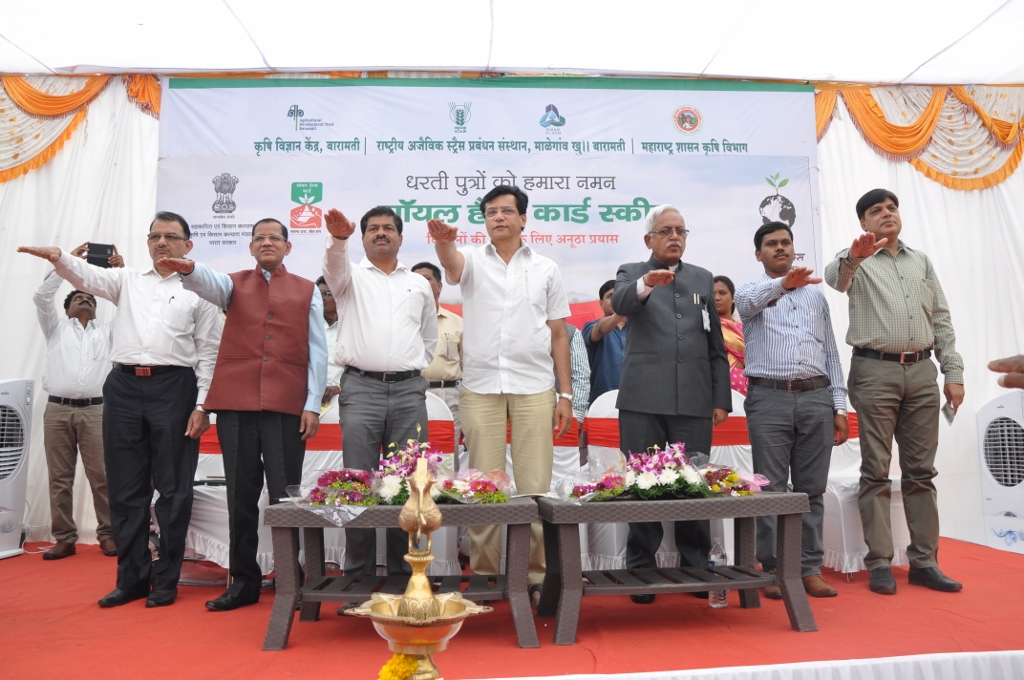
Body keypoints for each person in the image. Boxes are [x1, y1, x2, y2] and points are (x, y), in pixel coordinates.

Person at [19, 212, 222, 608]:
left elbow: (210, 353)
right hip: (123, 387)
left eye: (170, 237)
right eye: (154, 236)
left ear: (187, 245)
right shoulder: (126, 280)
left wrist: (202, 405)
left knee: (173, 489)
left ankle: (166, 580)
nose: (161, 242)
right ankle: (132, 578)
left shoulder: (199, 291)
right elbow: (85, 276)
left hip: (174, 388)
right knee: (126, 490)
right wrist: (59, 256)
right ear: (147, 242)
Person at [159, 218, 327, 611]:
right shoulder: (231, 284)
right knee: (240, 496)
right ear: (250, 247)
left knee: (286, 497)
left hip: (286, 405)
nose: (267, 242)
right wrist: (188, 267)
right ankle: (244, 581)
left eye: (275, 238)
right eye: (259, 238)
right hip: (236, 403)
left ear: (287, 247)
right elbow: (205, 281)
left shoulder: (307, 290)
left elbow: (318, 350)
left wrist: (312, 403)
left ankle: (290, 579)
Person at [427, 185, 572, 599]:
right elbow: (452, 267)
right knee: (482, 488)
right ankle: (485, 577)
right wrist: (444, 242)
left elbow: (558, 335)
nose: (498, 218)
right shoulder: (473, 260)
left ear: (523, 219)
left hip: (534, 386)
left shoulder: (546, 268)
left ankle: (536, 577)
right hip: (481, 387)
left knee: (534, 488)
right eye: (491, 212)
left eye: (507, 211)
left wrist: (565, 395)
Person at [824, 188, 965, 595]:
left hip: (922, 372)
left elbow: (941, 318)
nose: (887, 213)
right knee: (876, 469)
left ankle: (924, 562)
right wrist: (855, 256)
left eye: (891, 207)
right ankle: (880, 562)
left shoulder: (921, 261)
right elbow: (836, 280)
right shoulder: (855, 259)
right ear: (863, 222)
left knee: (922, 471)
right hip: (875, 371)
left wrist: (953, 371)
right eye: (876, 210)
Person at [611, 203, 731, 604]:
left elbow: (714, 341)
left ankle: (695, 569)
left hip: (694, 398)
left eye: (680, 230)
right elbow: (622, 304)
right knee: (641, 485)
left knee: (694, 486)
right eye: (665, 231)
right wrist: (647, 283)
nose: (674, 236)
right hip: (643, 399)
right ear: (649, 239)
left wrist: (720, 397)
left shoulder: (701, 277)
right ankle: (641, 571)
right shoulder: (632, 272)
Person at [735, 222, 849, 599]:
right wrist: (783, 285)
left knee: (811, 489)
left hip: (816, 398)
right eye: (771, 244)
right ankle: (774, 569)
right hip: (769, 399)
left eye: (785, 242)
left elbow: (831, 353)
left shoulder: (816, 298)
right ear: (759, 254)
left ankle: (809, 568)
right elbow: (747, 305)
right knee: (770, 488)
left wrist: (839, 405)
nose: (780, 248)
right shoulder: (750, 292)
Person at [323, 205, 437, 576]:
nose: (381, 233)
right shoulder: (348, 277)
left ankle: (407, 575)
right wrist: (338, 239)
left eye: (389, 228)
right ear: (363, 237)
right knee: (358, 481)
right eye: (373, 228)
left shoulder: (418, 283)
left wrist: (408, 368)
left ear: (401, 237)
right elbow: (333, 265)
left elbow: (428, 337)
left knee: (407, 482)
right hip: (361, 389)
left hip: (408, 391)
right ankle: (358, 575)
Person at [33, 243, 122, 561]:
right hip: (57, 410)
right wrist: (63, 262)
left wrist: (120, 272)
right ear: (67, 309)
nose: (85, 299)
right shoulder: (55, 328)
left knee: (102, 476)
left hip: (97, 410)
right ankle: (64, 538)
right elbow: (42, 297)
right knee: (59, 478)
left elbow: (131, 308)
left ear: (96, 309)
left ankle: (108, 535)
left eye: (90, 298)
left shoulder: (108, 332)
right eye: (78, 298)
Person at [412, 261, 464, 441]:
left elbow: (469, 368)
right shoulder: (403, 322)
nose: (420, 283)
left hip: (447, 395)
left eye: (426, 278)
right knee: (411, 450)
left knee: (447, 450)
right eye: (415, 279)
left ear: (439, 286)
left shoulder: (458, 323)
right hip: (410, 394)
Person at [581, 280, 626, 405]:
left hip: (636, 399)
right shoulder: (590, 326)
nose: (617, 300)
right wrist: (618, 315)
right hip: (601, 401)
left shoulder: (639, 329)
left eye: (621, 295)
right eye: (611, 296)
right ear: (601, 303)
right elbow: (599, 330)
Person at [714, 275, 749, 396]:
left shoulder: (746, 328)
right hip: (714, 388)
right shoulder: (704, 327)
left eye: (722, 293)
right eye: (712, 294)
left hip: (747, 389)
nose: (717, 298)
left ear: (733, 297)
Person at [316, 275, 343, 406]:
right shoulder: (307, 326)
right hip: (310, 397)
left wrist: (340, 388)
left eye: (326, 294)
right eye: (318, 294)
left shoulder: (352, 329)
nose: (321, 298)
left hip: (343, 397)